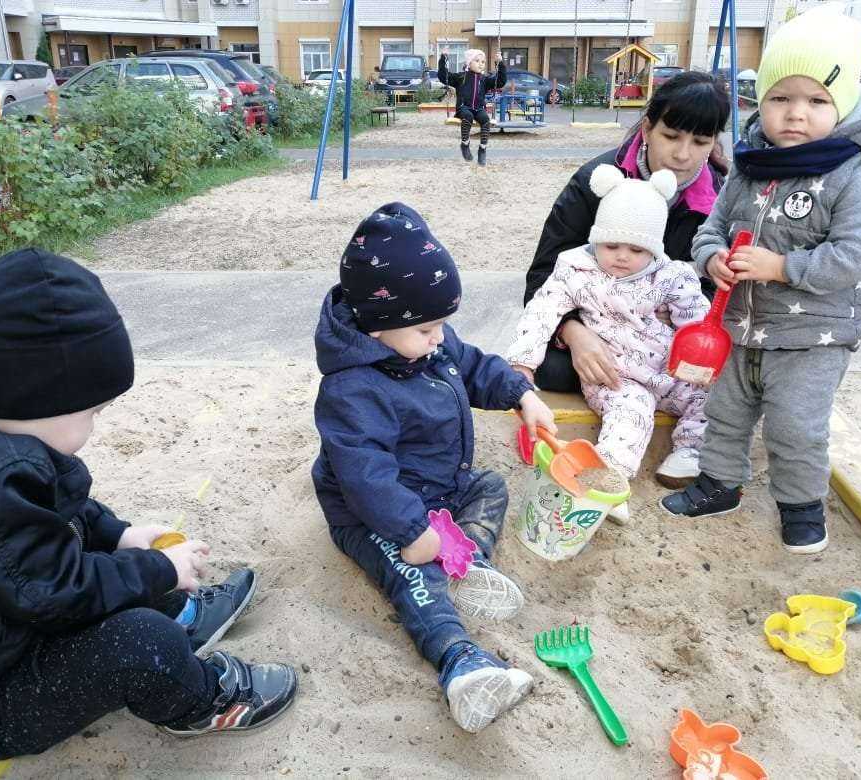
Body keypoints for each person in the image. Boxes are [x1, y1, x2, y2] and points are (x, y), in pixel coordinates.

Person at [0, 249, 298, 760]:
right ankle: (203, 700)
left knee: (108, 564)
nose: (95, 425)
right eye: (92, 411)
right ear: (37, 400)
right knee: (141, 642)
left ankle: (183, 614)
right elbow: (62, 592)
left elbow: (52, 513)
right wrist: (158, 569)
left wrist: (118, 535)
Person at [312, 203, 556, 733]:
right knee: (413, 574)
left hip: (441, 488)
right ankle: (460, 662)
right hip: (373, 514)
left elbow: (475, 366)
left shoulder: (424, 342)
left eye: (442, 325)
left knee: (490, 486)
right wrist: (410, 531)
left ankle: (469, 564)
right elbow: (365, 477)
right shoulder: (352, 390)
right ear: (377, 328)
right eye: (428, 329)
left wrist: (522, 395)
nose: (440, 338)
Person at [661, 7, 861, 555]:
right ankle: (719, 485)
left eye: (816, 101)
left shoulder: (849, 174)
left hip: (812, 336)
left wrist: (780, 267)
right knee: (726, 411)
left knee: (795, 425)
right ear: (760, 100)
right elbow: (710, 229)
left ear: (843, 105)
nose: (795, 113)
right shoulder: (748, 166)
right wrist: (712, 259)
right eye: (780, 97)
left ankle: (801, 506)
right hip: (741, 326)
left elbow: (853, 256)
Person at [524, 71, 730, 488]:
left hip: (667, 334)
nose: (683, 155)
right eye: (671, 136)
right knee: (555, 371)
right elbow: (543, 277)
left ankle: (689, 446)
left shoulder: (719, 198)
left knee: (724, 379)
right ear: (647, 127)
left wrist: (685, 329)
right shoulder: (594, 182)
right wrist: (574, 333)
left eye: (700, 142)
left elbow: (713, 290)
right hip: (600, 325)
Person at [507, 166, 710, 512]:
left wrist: (702, 354)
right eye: (611, 245)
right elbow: (542, 311)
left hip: (670, 369)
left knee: (712, 394)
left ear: (654, 249)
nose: (622, 256)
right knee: (628, 417)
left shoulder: (670, 276)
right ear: (596, 239)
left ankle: (689, 451)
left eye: (636, 249)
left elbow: (696, 320)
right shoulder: (576, 270)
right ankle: (608, 482)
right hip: (615, 375)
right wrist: (522, 364)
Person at [438, 49, 507, 165]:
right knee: (468, 116)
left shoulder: (485, 79)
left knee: (485, 119)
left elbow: (500, 81)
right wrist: (443, 58)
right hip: (463, 108)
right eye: (477, 61)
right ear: (469, 63)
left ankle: (482, 149)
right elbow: (443, 76)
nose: (481, 64)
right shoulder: (461, 77)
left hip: (479, 108)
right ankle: (465, 144)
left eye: (483, 62)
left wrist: (500, 63)